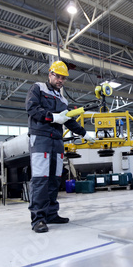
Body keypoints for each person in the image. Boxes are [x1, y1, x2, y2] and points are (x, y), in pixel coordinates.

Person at [26, 60, 95, 233]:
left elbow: (68, 120)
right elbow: (32, 108)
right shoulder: (38, 88)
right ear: (50, 74)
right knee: (40, 179)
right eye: (58, 76)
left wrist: (84, 133)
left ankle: (51, 213)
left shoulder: (62, 98)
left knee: (55, 178)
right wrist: (52, 117)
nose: (60, 80)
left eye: (63, 78)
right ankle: (38, 219)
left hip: (57, 141)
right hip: (40, 137)